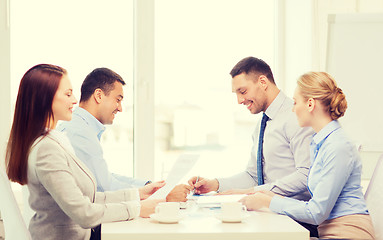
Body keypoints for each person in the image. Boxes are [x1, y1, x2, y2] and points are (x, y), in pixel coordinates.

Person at [5, 64, 161, 240]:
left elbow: (89, 197)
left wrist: (138, 193)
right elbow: (84, 212)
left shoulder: (56, 139)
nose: (74, 100)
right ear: (45, 98)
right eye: (68, 93)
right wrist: (137, 208)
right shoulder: (46, 149)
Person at [188, 56, 317, 236]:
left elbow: (306, 175)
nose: (239, 100)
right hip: (269, 215)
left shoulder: (296, 117)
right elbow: (254, 175)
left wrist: (252, 193)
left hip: (295, 221)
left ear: (262, 82)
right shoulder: (262, 125)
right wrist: (215, 184)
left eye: (243, 91)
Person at [239, 72, 375, 239]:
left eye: (295, 102)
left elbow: (316, 212)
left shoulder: (338, 146)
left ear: (310, 104)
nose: (293, 109)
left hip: (347, 233)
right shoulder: (320, 143)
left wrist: (269, 202)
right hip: (329, 231)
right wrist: (270, 196)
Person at [57, 67, 191, 201]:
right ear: (98, 95)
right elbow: (105, 187)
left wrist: (148, 186)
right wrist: (160, 194)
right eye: (118, 99)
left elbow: (104, 177)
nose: (120, 108)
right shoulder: (79, 132)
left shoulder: (80, 127)